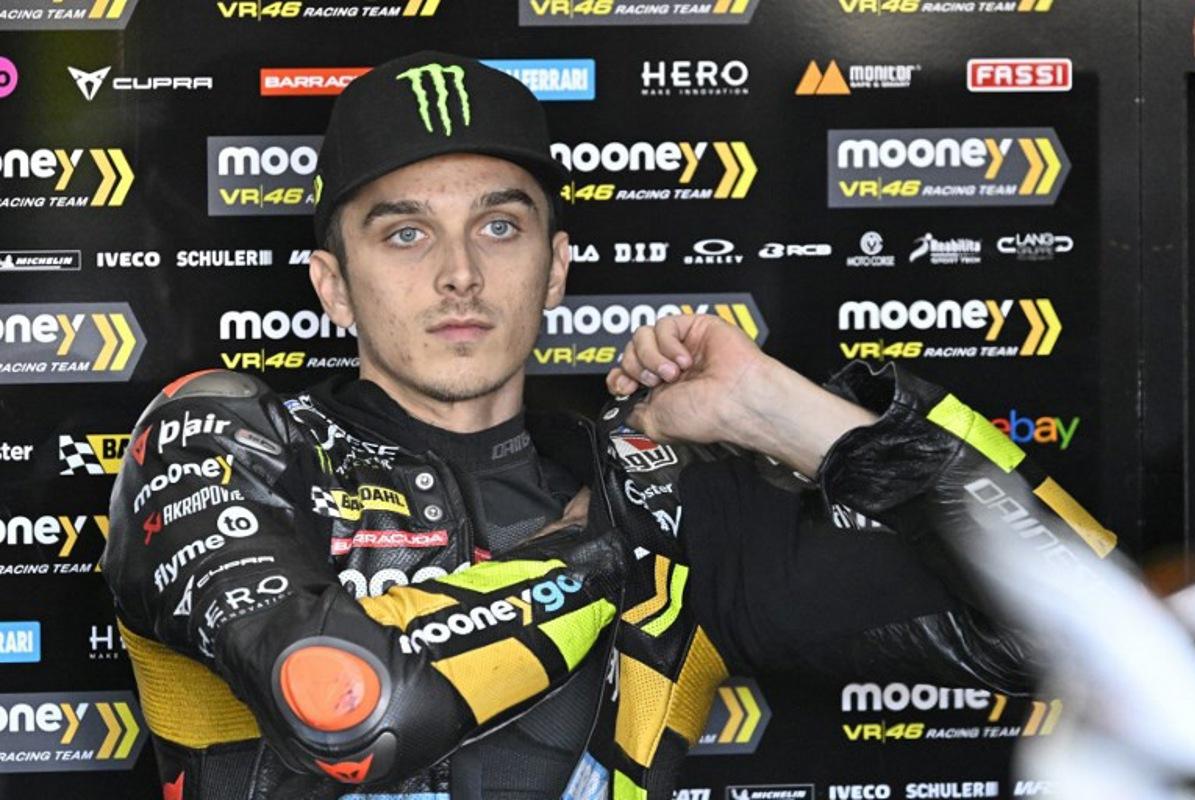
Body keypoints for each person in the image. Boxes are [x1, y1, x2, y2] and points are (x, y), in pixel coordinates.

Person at [101, 51, 1117, 800]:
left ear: (555, 267)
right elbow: (352, 709)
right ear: (332, 284)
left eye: (500, 226)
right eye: (405, 232)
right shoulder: (224, 440)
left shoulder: (680, 493)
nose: (459, 273)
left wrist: (798, 418)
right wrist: (612, 543)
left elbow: (1091, 638)